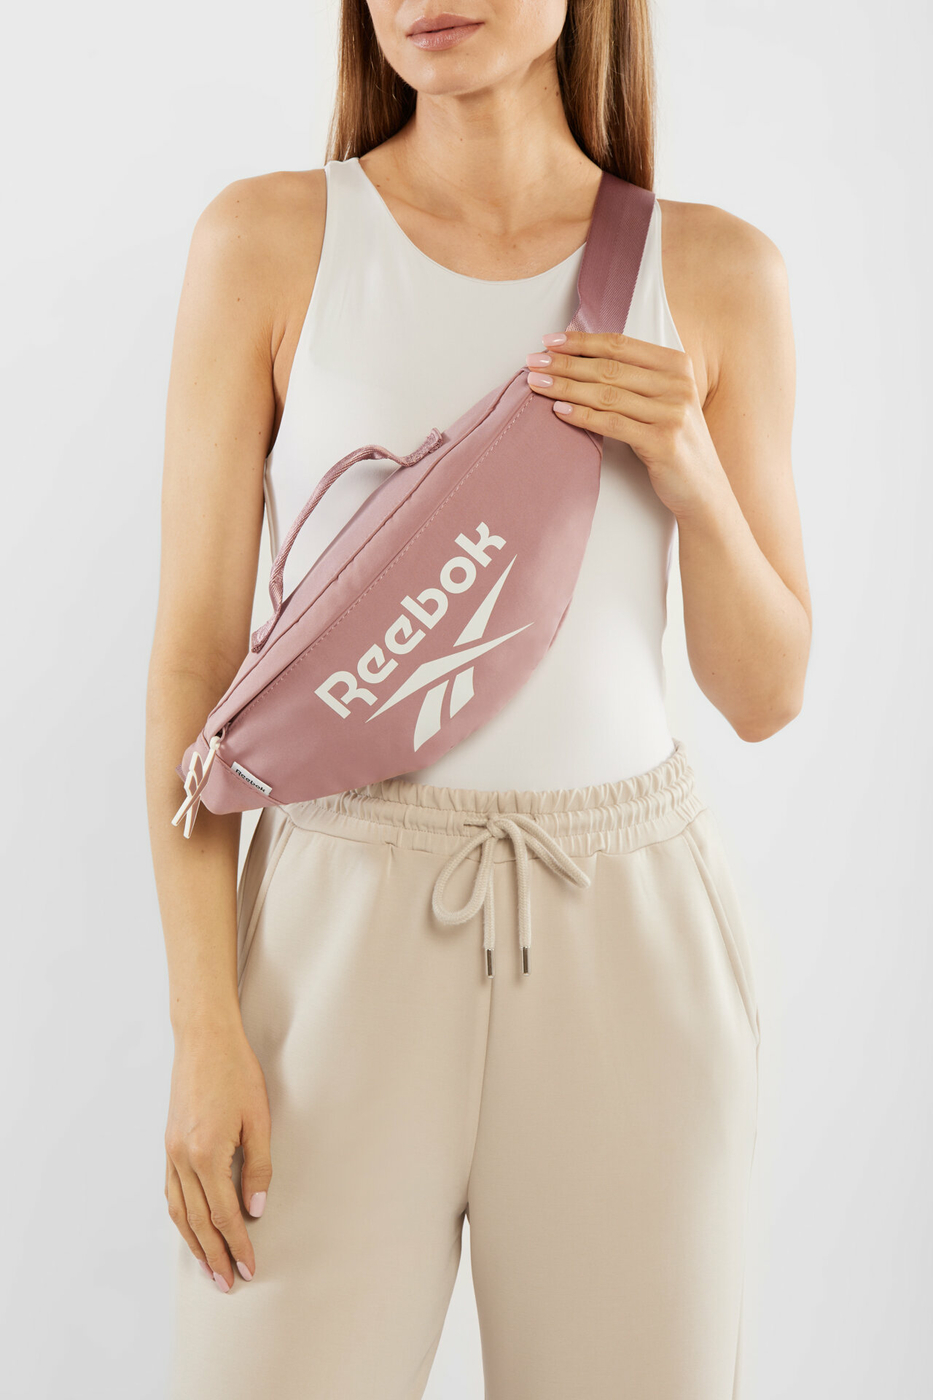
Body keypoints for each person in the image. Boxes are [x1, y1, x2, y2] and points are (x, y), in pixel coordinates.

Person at [145, 2, 811, 1396]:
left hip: (629, 936)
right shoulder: (267, 242)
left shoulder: (714, 271)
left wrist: (690, 472)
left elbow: (764, 693)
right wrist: (204, 1029)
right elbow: (195, 678)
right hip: (331, 931)